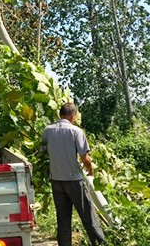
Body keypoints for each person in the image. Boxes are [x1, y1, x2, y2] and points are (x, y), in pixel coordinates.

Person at [41, 102, 106, 246]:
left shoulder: (47, 130)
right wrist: (90, 169)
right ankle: (100, 243)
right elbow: (85, 157)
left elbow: (42, 150)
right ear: (73, 116)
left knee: (63, 218)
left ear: (60, 115)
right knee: (88, 216)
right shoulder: (76, 131)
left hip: (56, 180)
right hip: (74, 180)